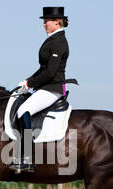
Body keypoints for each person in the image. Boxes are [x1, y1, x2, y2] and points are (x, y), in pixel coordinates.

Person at [10, 6, 70, 174]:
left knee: (23, 110)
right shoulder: (52, 39)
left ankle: (27, 158)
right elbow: (43, 68)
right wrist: (27, 81)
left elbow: (51, 72)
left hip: (53, 88)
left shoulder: (59, 41)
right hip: (46, 86)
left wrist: (30, 84)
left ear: (57, 22)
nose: (43, 24)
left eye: (46, 21)